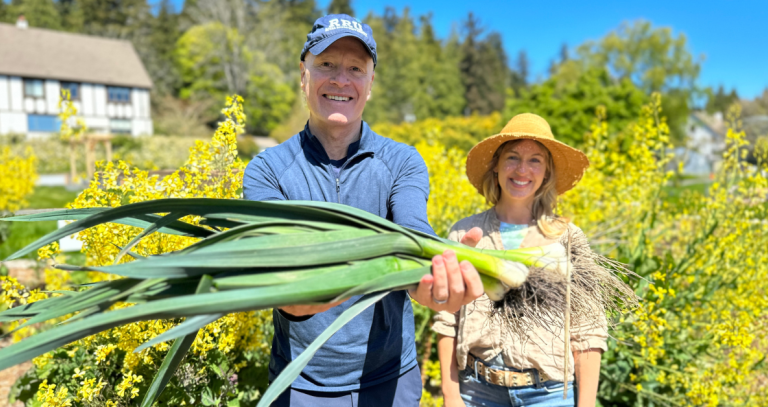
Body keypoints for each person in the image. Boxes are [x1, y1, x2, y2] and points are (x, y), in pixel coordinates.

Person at [242, 14, 484, 407]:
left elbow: (413, 234)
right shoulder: (267, 169)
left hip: (390, 378)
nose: (341, 79)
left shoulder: (401, 161)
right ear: (303, 75)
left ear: (370, 84)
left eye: (356, 68)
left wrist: (433, 279)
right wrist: (295, 294)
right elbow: (278, 273)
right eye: (326, 64)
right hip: (302, 382)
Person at [434, 113, 611, 407]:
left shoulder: (568, 238)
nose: (522, 169)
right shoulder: (466, 234)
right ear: (497, 167)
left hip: (550, 394)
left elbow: (588, 329)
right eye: (512, 157)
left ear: (546, 173)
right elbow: (446, 318)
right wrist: (451, 395)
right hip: (477, 392)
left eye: (535, 160)